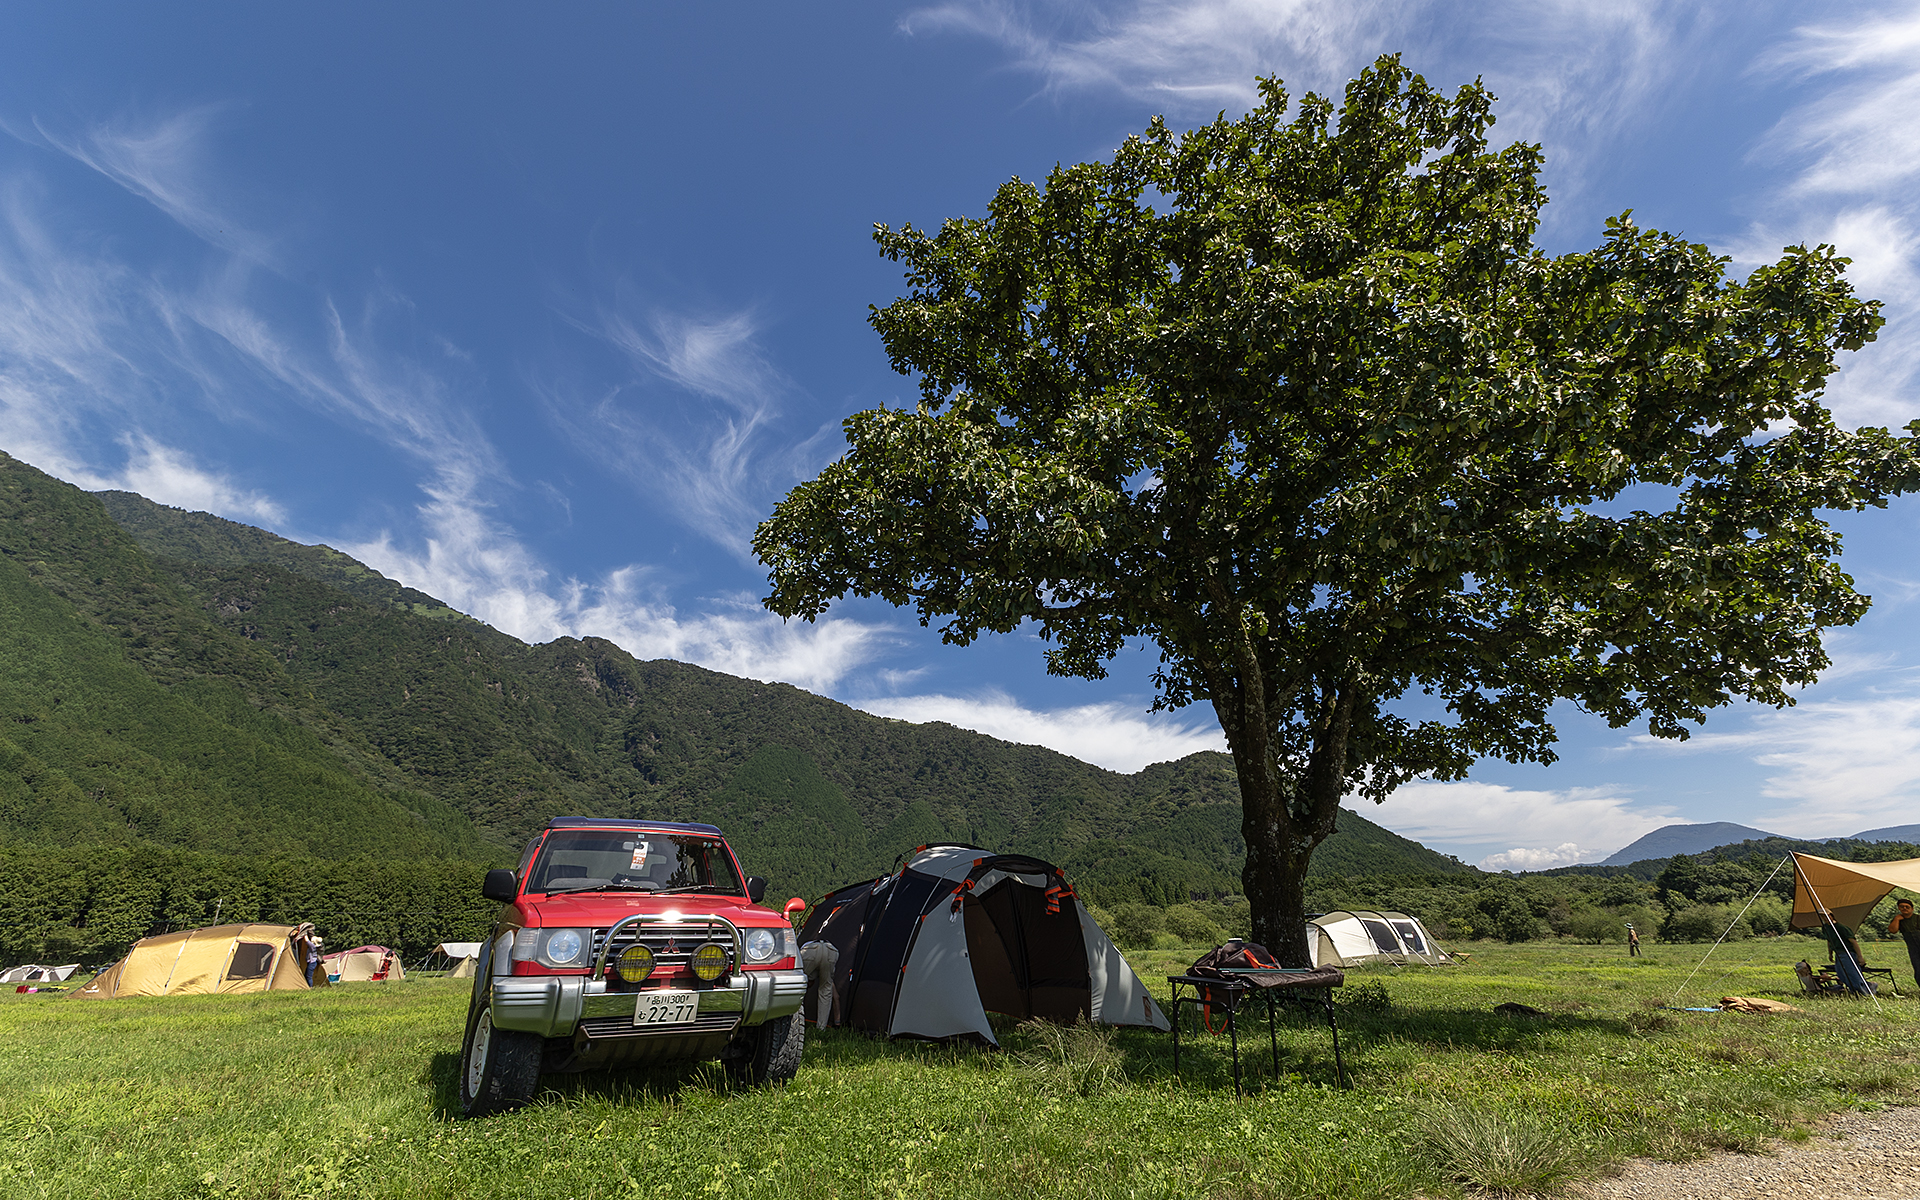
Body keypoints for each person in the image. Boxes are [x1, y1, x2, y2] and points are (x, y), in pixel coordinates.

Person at [1887, 897, 1920, 990]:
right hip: (1913, 949)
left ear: (1912, 909)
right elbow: (1892, 930)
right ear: (1899, 908)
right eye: (1902, 907)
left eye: (1907, 907)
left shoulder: (1917, 918)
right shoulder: (1898, 920)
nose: (1904, 908)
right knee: (1918, 969)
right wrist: (1897, 919)